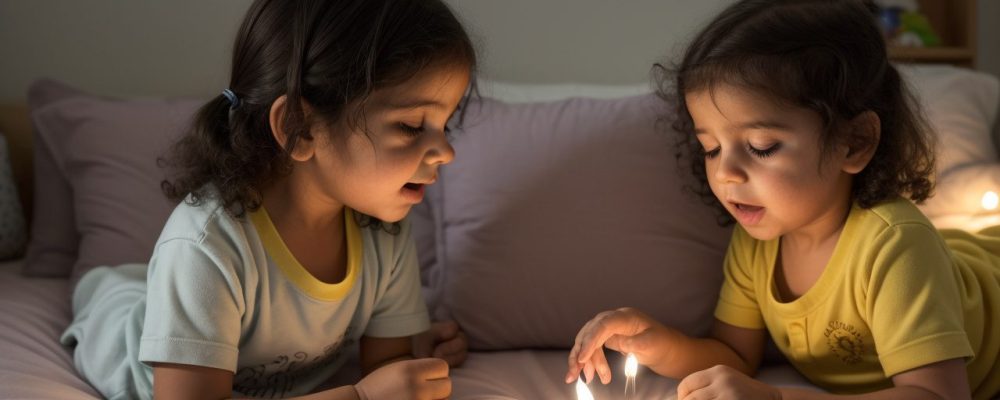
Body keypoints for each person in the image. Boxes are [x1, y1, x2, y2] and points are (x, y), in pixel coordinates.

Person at [565, 1, 1000, 399]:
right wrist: (659, 344)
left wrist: (776, 398)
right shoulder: (756, 241)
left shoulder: (894, 246)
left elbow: (937, 395)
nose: (725, 173)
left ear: (854, 142)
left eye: (761, 146)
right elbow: (734, 356)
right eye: (711, 149)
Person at [60, 0, 476, 398]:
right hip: (119, 331)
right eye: (411, 126)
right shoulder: (205, 248)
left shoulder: (384, 229)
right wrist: (359, 397)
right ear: (300, 127)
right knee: (115, 294)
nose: (447, 152)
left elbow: (388, 370)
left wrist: (413, 356)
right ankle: (101, 286)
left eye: (446, 125)